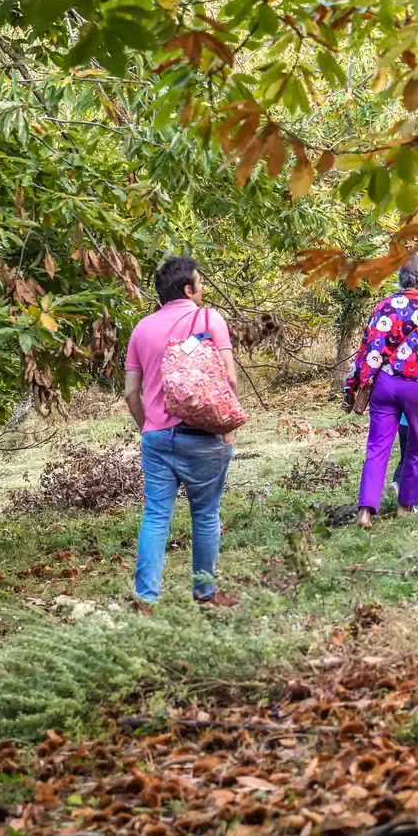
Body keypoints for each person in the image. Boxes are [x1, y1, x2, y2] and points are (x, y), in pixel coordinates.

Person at [123, 256, 240, 611]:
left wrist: (148, 427)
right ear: (188, 289)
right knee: (205, 514)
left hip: (157, 438)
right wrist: (228, 427)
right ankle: (205, 592)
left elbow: (131, 392)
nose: (202, 288)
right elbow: (230, 379)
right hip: (204, 436)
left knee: (156, 515)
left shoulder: (142, 328)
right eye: (199, 283)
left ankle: (146, 599)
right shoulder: (209, 319)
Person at [344, 261, 418, 529]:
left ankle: (365, 512)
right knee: (417, 446)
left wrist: (354, 383)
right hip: (417, 387)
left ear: (402, 278)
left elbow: (368, 350)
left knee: (377, 448)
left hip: (385, 385)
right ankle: (405, 506)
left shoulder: (384, 306)